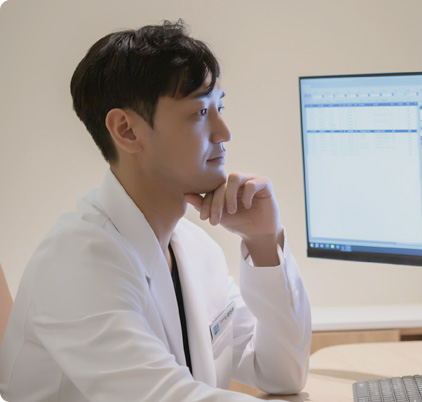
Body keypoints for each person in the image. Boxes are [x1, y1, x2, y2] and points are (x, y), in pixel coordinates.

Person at [0, 20, 311, 402]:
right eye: (201, 112)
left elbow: (282, 375)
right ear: (127, 130)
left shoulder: (196, 248)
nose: (224, 132)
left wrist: (263, 241)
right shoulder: (76, 261)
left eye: (220, 107)